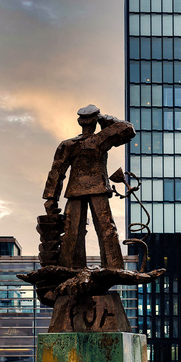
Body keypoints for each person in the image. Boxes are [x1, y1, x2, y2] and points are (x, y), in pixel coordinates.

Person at [42, 105, 134, 270]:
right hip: (95, 190)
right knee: (105, 229)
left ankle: (71, 266)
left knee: (73, 231)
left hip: (78, 191)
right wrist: (104, 118)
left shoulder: (69, 144)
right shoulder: (100, 139)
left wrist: (51, 198)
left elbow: (56, 172)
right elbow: (127, 128)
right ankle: (113, 266)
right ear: (94, 120)